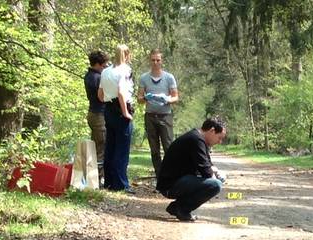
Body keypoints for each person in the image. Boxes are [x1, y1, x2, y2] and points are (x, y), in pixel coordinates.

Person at [156, 118, 227, 222]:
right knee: (216, 185)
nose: (219, 142)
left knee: (216, 182)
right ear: (212, 130)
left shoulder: (198, 139)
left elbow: (207, 165)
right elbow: (206, 172)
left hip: (176, 182)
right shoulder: (196, 140)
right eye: (219, 138)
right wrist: (215, 181)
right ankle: (182, 209)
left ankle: (177, 207)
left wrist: (216, 173)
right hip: (170, 186)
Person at [97, 44, 135, 194]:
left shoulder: (105, 71)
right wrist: (125, 112)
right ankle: (121, 184)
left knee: (110, 147)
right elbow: (121, 92)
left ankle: (109, 182)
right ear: (127, 55)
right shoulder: (125, 70)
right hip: (121, 109)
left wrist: (108, 102)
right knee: (122, 148)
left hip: (108, 109)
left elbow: (100, 95)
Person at [137, 48, 179, 177]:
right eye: (153, 60)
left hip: (165, 116)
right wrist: (146, 98)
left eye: (158, 60)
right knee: (154, 150)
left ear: (162, 61)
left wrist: (167, 99)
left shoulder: (169, 77)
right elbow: (139, 98)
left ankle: (171, 175)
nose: (155, 62)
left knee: (168, 147)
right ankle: (159, 176)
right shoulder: (144, 78)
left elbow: (175, 97)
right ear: (150, 61)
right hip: (150, 116)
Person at [84, 50, 108, 168]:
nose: (104, 68)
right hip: (99, 115)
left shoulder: (88, 75)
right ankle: (98, 178)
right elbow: (103, 97)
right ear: (97, 64)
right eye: (103, 66)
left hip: (93, 113)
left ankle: (93, 176)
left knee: (95, 146)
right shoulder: (97, 78)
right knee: (101, 147)